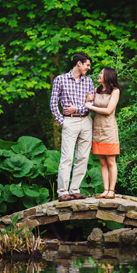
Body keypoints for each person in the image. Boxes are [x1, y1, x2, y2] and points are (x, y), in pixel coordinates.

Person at [49, 52, 95, 202]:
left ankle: (75, 190)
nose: (89, 68)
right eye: (87, 65)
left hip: (86, 121)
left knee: (83, 157)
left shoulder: (88, 81)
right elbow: (53, 103)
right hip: (69, 121)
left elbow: (92, 104)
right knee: (67, 157)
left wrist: (78, 108)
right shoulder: (60, 79)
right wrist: (61, 121)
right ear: (79, 64)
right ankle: (63, 192)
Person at [86, 68, 121, 199]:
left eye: (101, 73)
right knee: (102, 162)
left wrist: (90, 106)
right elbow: (87, 101)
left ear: (108, 76)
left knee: (111, 161)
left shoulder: (115, 91)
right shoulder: (96, 90)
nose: (99, 75)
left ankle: (112, 190)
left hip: (109, 130)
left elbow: (108, 110)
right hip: (97, 130)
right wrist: (88, 99)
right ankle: (105, 190)